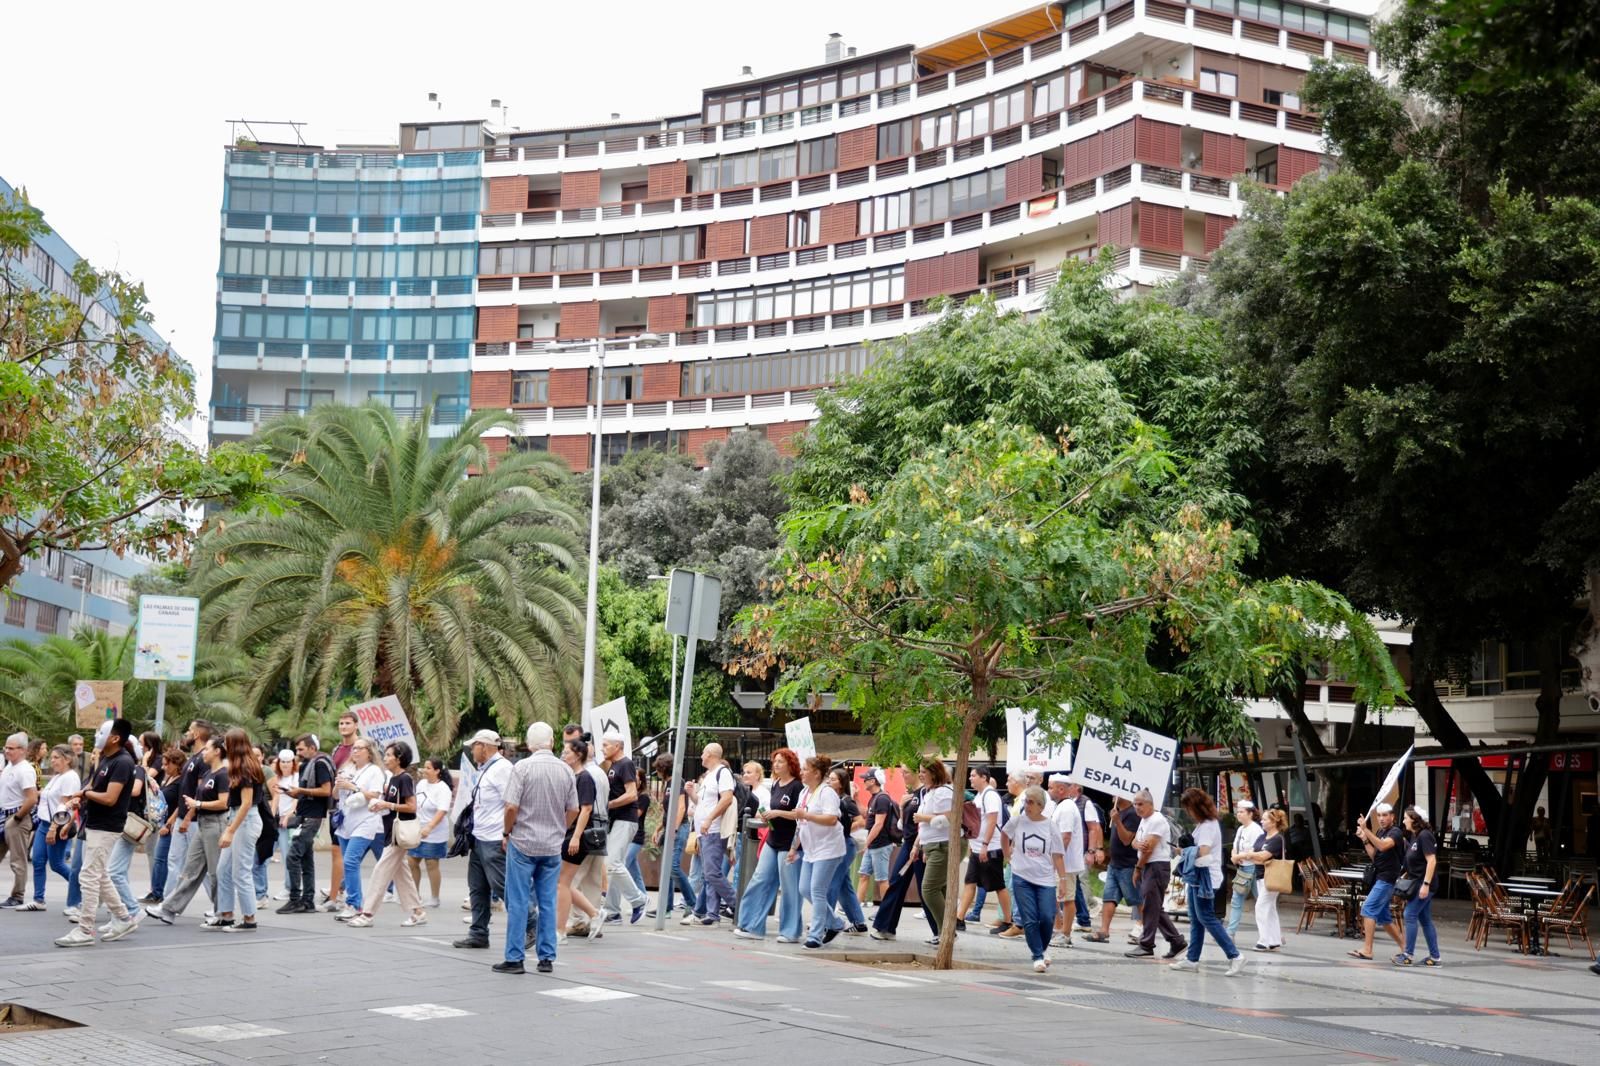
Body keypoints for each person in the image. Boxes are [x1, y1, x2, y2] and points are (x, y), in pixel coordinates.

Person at [495, 723, 579, 975]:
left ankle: (515, 957)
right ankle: (546, 957)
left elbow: (511, 807)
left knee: (519, 900)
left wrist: (506, 832)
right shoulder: (565, 770)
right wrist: (559, 828)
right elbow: (574, 808)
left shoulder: (522, 767)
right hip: (552, 846)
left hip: (523, 842)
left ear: (530, 744)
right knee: (548, 900)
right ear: (552, 742)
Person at [55, 719, 138, 947]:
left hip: (107, 826)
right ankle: (123, 918)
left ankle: (85, 929)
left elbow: (110, 798)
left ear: (115, 738)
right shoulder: (105, 759)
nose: (97, 735)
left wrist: (86, 794)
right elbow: (92, 791)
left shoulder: (122, 762)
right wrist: (76, 807)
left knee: (88, 876)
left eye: (102, 732)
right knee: (99, 875)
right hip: (94, 823)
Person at [148, 736, 230, 925]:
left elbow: (224, 802)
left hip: (215, 825)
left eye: (208, 749)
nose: (205, 752)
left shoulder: (222, 774)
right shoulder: (211, 773)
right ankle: (169, 909)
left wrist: (197, 804)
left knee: (215, 872)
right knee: (189, 870)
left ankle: (223, 912)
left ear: (217, 751)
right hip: (202, 824)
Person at [349, 741, 426, 929]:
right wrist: (381, 806)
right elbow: (391, 804)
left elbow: (411, 806)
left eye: (389, 755)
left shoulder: (405, 778)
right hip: (391, 831)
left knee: (380, 872)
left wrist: (387, 805)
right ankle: (418, 911)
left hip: (398, 835)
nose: (385, 758)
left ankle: (367, 913)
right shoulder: (392, 779)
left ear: (399, 759)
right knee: (402, 875)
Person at [1168, 787, 1245, 976]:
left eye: (1189, 808)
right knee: (1196, 919)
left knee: (1206, 918)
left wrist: (1183, 852)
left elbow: (1203, 851)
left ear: (1197, 807)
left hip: (1206, 877)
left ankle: (1235, 955)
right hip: (1200, 877)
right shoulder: (1205, 824)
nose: (1188, 812)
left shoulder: (1208, 826)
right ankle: (1192, 959)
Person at [734, 747, 804, 942]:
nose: (776, 764)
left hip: (789, 842)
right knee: (759, 879)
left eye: (780, 761)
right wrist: (768, 817)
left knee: (789, 887)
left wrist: (779, 813)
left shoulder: (797, 787)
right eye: (775, 761)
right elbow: (773, 813)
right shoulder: (776, 784)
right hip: (772, 839)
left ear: (790, 764)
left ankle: (791, 931)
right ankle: (751, 925)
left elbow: (800, 814)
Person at [1002, 785, 1069, 972]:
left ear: (1040, 806)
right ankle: (1037, 955)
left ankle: (1042, 947)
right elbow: (1004, 834)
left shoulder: (1050, 826)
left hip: (1045, 879)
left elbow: (1057, 855)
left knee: (1047, 917)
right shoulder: (1018, 821)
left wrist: (1062, 880)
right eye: (1025, 801)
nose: (1027, 805)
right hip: (1021, 877)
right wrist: (1007, 855)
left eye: (1030, 802)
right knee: (1030, 919)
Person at [206, 728, 265, 932]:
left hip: (245, 819)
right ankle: (227, 914)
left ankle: (249, 919)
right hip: (239, 817)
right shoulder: (237, 765)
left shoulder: (246, 767)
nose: (223, 746)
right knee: (223, 869)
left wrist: (230, 830)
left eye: (226, 743)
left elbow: (247, 803)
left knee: (241, 871)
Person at [870, 764, 930, 942]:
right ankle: (885, 927)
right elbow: (901, 825)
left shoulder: (926, 794)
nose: (903, 775)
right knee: (896, 881)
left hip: (921, 844)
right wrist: (903, 807)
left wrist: (918, 846)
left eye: (906, 772)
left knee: (925, 889)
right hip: (908, 843)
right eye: (902, 772)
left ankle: (941, 930)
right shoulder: (909, 796)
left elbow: (925, 824)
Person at [1124, 788, 1187, 959]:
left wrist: (1137, 868)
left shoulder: (1156, 820)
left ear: (1150, 804)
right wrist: (1137, 845)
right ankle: (1176, 940)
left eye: (1140, 804)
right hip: (1149, 866)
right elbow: (1135, 842)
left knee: (1151, 906)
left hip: (1156, 866)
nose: (1137, 807)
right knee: (1154, 906)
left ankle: (1147, 944)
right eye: (1135, 804)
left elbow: (1148, 849)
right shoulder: (1144, 820)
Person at [791, 755, 846, 948]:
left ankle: (815, 935)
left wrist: (806, 815)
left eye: (805, 769)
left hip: (829, 848)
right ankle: (835, 923)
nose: (802, 772)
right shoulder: (805, 792)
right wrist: (793, 847)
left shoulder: (826, 792)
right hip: (811, 848)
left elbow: (831, 819)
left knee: (817, 890)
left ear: (816, 773)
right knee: (804, 888)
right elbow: (799, 822)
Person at [277, 733, 334, 914]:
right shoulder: (306, 765)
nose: (297, 752)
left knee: (293, 856)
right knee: (306, 859)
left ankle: (295, 899)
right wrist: (290, 792)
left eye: (301, 749)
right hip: (304, 814)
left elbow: (326, 790)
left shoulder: (319, 763)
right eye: (297, 749)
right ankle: (307, 900)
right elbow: (304, 793)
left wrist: (300, 790)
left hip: (313, 817)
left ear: (312, 748)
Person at [160, 720, 214, 905]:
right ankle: (166, 904)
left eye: (189, 731)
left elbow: (201, 792)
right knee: (174, 861)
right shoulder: (192, 758)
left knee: (201, 868)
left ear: (197, 735)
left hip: (194, 821)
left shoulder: (204, 760)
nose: (186, 733)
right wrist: (176, 817)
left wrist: (188, 817)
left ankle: (220, 907)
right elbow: (185, 792)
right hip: (182, 819)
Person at [332, 737, 387, 921]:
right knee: (348, 864)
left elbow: (375, 794)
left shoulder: (375, 772)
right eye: (354, 748)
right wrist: (338, 785)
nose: (355, 751)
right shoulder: (348, 769)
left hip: (365, 820)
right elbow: (335, 794)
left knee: (350, 861)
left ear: (369, 751)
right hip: (345, 820)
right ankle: (353, 902)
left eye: (359, 748)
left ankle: (354, 903)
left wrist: (352, 787)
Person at [556, 736, 603, 940]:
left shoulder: (584, 778)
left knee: (562, 883)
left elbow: (586, 810)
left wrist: (575, 837)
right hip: (571, 834)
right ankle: (594, 913)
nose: (563, 755)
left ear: (578, 755)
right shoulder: (573, 776)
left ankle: (560, 930)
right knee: (562, 882)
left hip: (579, 835)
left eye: (567, 752)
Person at [685, 742, 737, 927]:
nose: (701, 756)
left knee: (712, 872)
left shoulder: (722, 773)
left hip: (713, 830)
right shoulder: (709, 776)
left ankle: (737, 904)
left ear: (711, 754)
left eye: (703, 753)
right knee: (709, 873)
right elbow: (702, 802)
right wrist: (692, 793)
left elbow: (727, 798)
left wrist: (709, 819)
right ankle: (712, 912)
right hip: (704, 830)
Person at [23, 744, 78, 910]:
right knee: (38, 862)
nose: (51, 761)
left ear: (67, 759)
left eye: (56, 757)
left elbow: (65, 806)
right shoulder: (57, 776)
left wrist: (54, 828)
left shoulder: (70, 777)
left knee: (57, 864)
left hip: (58, 825)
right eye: (51, 757)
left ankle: (83, 891)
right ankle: (38, 900)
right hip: (43, 823)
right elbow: (47, 797)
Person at [599, 732, 647, 923]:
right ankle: (613, 911)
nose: (603, 748)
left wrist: (608, 804)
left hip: (625, 819)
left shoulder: (625, 764)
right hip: (617, 820)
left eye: (605, 745)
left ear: (617, 746)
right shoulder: (614, 766)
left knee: (613, 863)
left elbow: (632, 794)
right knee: (610, 864)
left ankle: (638, 900)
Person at [957, 766, 1009, 933]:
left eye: (973, 775)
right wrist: (974, 846)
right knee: (969, 882)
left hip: (991, 848)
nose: (970, 778)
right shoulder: (979, 796)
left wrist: (985, 845)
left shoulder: (990, 795)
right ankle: (959, 918)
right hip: (977, 848)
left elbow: (993, 821)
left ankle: (1008, 921)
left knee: (998, 885)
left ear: (984, 777)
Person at [1351, 802, 1405, 961]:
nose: (1381, 819)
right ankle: (1405, 948)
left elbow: (1382, 846)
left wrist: (1366, 830)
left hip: (1387, 878)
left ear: (1392, 817)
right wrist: (1365, 840)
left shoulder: (1396, 832)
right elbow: (1375, 856)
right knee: (1384, 918)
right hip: (1379, 876)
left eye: (1385, 815)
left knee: (1368, 909)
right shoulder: (1380, 831)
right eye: (1379, 815)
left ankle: (1368, 949)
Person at [910, 759, 955, 945]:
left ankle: (947, 931)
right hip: (933, 846)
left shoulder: (943, 792)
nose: (920, 775)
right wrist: (920, 845)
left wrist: (923, 818)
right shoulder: (931, 792)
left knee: (929, 890)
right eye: (919, 771)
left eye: (923, 772)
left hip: (942, 846)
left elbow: (949, 818)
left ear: (934, 773)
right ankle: (944, 932)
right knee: (939, 890)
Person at [1090, 795, 1141, 945]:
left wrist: (1118, 821)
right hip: (1115, 864)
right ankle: (1104, 931)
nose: (1113, 796)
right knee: (1109, 897)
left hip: (1128, 864)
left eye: (1116, 793)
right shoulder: (1118, 811)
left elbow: (1127, 840)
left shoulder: (1132, 814)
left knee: (1136, 899)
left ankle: (1144, 929)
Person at [1395, 807, 1441, 967]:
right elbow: (1415, 860)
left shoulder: (1425, 836)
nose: (1403, 821)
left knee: (1409, 914)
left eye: (1406, 817)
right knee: (1425, 919)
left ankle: (1408, 954)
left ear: (1415, 819)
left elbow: (1432, 861)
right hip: (1418, 882)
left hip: (1424, 884)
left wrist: (1426, 885)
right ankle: (1435, 957)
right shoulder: (1415, 836)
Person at [1237, 807, 1287, 951]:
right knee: (1270, 908)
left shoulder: (1278, 839)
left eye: (1265, 819)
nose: (1262, 821)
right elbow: (1253, 854)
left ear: (1273, 822)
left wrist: (1251, 857)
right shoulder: (1262, 837)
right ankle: (1274, 939)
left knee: (1261, 906)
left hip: (1272, 877)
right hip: (1260, 876)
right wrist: (1253, 857)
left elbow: (1262, 856)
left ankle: (1264, 940)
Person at [652, 753, 696, 916]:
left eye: (658, 769)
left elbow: (681, 808)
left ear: (663, 769)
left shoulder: (678, 782)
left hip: (679, 827)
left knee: (673, 867)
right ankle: (666, 907)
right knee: (667, 869)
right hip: (671, 827)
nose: (657, 773)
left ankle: (692, 903)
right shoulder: (668, 784)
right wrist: (659, 828)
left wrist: (674, 829)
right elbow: (668, 811)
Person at [827, 765, 869, 934]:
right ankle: (859, 922)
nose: (829, 781)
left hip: (845, 845)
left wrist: (844, 830)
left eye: (833, 779)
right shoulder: (832, 799)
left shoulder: (846, 801)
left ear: (842, 783)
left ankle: (826, 920)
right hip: (838, 844)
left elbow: (861, 821)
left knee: (831, 883)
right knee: (844, 886)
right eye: (828, 778)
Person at [1, 731, 40, 908]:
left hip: (16, 816)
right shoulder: (10, 767)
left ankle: (17, 895)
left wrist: (17, 818)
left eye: (11, 748)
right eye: (6, 747)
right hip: (4, 815)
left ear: (22, 750)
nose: (7, 751)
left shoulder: (25, 770)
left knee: (17, 860)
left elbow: (32, 798)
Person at [325, 710, 359, 909]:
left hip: (358, 809)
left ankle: (338, 896)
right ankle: (337, 893)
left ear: (356, 725)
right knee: (338, 852)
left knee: (347, 855)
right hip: (338, 808)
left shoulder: (361, 748)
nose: (343, 727)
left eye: (347, 723)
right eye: (341, 723)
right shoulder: (337, 749)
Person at [409, 757, 454, 908]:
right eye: (424, 767)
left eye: (428, 768)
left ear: (437, 771)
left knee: (431, 863)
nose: (424, 770)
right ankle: (414, 895)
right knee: (412, 861)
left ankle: (435, 897)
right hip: (417, 829)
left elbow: (442, 811)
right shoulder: (421, 784)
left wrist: (430, 827)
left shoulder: (443, 788)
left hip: (434, 832)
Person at [1047, 774, 1084, 949]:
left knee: (1068, 898)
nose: (1049, 791)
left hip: (1066, 864)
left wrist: (1057, 860)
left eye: (1051, 787)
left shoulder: (1067, 807)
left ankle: (1066, 934)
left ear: (1061, 789)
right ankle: (1059, 927)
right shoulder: (1061, 806)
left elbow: (1066, 837)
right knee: (1057, 897)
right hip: (1061, 862)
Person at [1061, 780, 1103, 931]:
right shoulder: (1069, 803)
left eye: (1069, 785)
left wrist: (1092, 850)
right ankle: (1083, 917)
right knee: (1076, 884)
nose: (1066, 787)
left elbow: (1094, 828)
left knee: (1081, 881)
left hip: (1082, 851)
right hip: (1074, 852)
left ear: (1076, 788)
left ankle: (1084, 916)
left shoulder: (1086, 803)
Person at [142, 749, 183, 905]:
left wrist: (169, 823)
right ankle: (157, 891)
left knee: (163, 859)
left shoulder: (181, 781)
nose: (164, 767)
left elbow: (180, 805)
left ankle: (161, 893)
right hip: (163, 823)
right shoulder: (169, 779)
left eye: (167, 764)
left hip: (171, 824)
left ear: (176, 764)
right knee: (160, 859)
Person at [857, 769, 897, 906]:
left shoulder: (882, 798)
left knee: (882, 879)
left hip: (880, 845)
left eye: (866, 779)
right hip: (873, 844)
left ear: (873, 781)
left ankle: (885, 911)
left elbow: (878, 824)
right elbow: (867, 817)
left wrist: (866, 843)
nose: (863, 782)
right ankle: (856, 907)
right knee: (863, 875)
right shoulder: (875, 798)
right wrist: (856, 798)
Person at [1227, 799, 1264, 940]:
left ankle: (1231, 932)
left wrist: (1238, 856)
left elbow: (1254, 851)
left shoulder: (1255, 830)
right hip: (1243, 868)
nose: (1239, 814)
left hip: (1253, 868)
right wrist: (1234, 856)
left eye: (1242, 812)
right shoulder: (1241, 829)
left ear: (1250, 813)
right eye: (1238, 812)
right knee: (1255, 900)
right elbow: (1235, 847)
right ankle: (1231, 932)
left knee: (1260, 901)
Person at [267, 750, 297, 896]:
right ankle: (260, 890)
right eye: (283, 761)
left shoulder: (296, 778)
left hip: (288, 822)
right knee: (264, 855)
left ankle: (290, 887)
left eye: (288, 761)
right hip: (274, 820)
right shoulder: (276, 778)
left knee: (288, 856)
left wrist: (287, 816)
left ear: (293, 762)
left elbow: (297, 799)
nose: (285, 764)